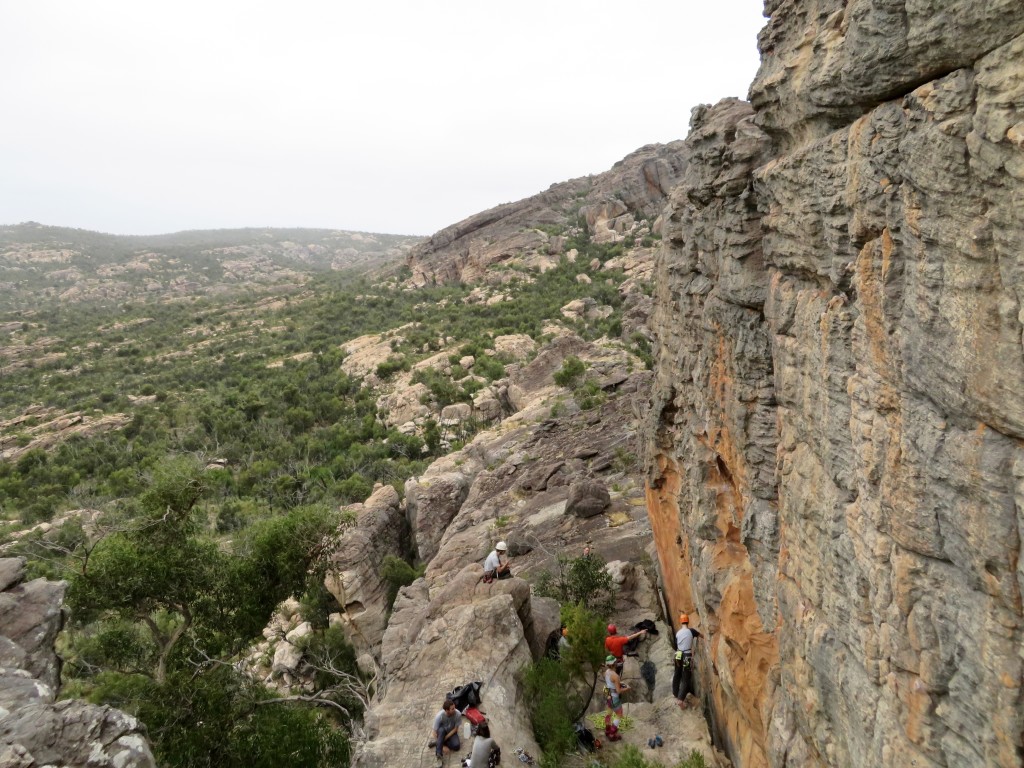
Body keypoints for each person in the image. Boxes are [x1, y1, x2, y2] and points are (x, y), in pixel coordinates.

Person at [673, 612, 703, 708]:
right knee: (686, 677)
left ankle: (676, 693)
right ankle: (680, 700)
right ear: (688, 621)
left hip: (678, 654)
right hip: (686, 655)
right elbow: (701, 635)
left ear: (681, 622)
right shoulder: (691, 631)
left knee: (677, 674)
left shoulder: (678, 633)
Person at [603, 654, 627, 741]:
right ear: (614, 663)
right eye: (616, 662)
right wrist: (627, 688)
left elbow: (610, 684)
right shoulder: (616, 676)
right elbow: (619, 691)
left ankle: (607, 730)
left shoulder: (606, 672)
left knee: (609, 713)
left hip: (609, 696)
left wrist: (618, 683)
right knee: (619, 714)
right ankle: (612, 734)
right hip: (615, 698)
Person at [431, 698, 462, 764]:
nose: (455, 709)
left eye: (454, 707)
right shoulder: (439, 716)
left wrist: (443, 739)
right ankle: (439, 755)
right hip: (442, 731)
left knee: (457, 746)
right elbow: (434, 733)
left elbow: (455, 729)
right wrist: (443, 747)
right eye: (452, 709)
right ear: (447, 710)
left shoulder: (458, 714)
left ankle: (439, 742)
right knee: (441, 730)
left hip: (451, 731)